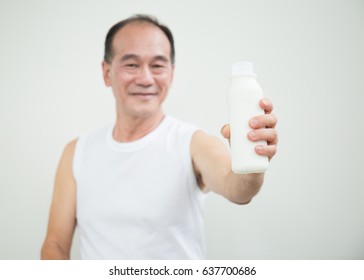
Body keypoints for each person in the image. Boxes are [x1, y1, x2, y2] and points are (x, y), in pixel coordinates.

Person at [41, 14, 278, 260]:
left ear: (171, 74)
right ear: (106, 72)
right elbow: (55, 243)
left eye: (157, 65)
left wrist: (252, 161)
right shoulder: (77, 152)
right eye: (131, 65)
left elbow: (238, 189)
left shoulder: (192, 143)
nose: (145, 79)